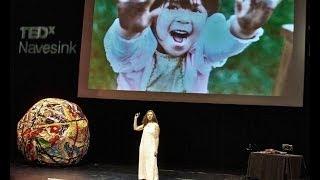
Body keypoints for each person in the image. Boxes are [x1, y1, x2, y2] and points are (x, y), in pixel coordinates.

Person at [104, 0, 280, 93]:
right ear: (152, 16)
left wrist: (244, 27)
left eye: (196, 11)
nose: (183, 19)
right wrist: (127, 30)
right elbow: (120, 49)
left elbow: (222, 41)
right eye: (172, 7)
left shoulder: (202, 46)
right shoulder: (139, 45)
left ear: (206, 21)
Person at [133, 110, 160, 180]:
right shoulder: (145, 125)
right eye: (148, 115)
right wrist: (135, 118)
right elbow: (135, 128)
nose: (149, 116)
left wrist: (156, 149)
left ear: (153, 116)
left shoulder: (156, 125)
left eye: (151, 114)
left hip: (151, 147)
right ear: (146, 116)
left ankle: (152, 178)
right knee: (143, 162)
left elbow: (157, 138)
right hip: (143, 147)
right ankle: (144, 177)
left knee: (151, 162)